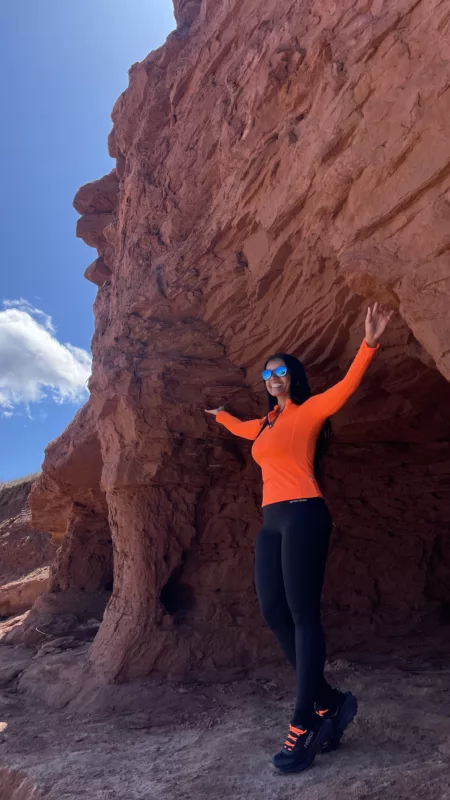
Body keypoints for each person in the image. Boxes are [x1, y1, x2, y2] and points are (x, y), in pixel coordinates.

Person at [205, 303, 393, 774]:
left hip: (306, 514)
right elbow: (241, 428)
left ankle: (304, 721)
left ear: (293, 377)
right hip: (272, 523)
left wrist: (369, 343)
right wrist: (221, 416)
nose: (273, 376)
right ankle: (330, 701)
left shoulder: (309, 412)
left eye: (280, 370)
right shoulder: (265, 425)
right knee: (273, 611)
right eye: (268, 372)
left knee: (303, 614)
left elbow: (346, 388)